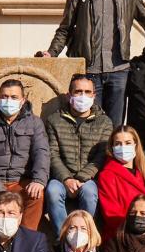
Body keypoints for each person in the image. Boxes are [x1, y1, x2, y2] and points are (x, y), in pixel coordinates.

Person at [38, 0, 145, 125]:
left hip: (119, 70)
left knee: (115, 124)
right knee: (89, 122)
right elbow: (65, 29)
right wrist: (51, 53)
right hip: (89, 71)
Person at [0, 79, 50, 230]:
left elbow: (42, 153)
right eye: (4, 97)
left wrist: (39, 180)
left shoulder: (35, 123)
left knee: (37, 195)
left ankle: (25, 238)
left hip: (21, 181)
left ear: (23, 100)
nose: (8, 101)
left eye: (14, 97)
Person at [44, 75, 110, 230]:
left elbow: (101, 155)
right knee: (53, 191)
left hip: (89, 178)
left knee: (89, 193)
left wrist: (81, 178)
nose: (83, 96)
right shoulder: (54, 120)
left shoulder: (104, 122)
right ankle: (63, 236)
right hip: (61, 177)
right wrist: (66, 178)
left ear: (94, 95)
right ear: (69, 95)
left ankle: (87, 235)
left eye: (87, 92)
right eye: (78, 91)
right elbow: (52, 153)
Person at [97, 125, 145, 241]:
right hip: (125, 235)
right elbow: (112, 214)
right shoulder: (107, 175)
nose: (123, 147)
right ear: (112, 148)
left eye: (128, 143)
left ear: (135, 145)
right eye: (118, 144)